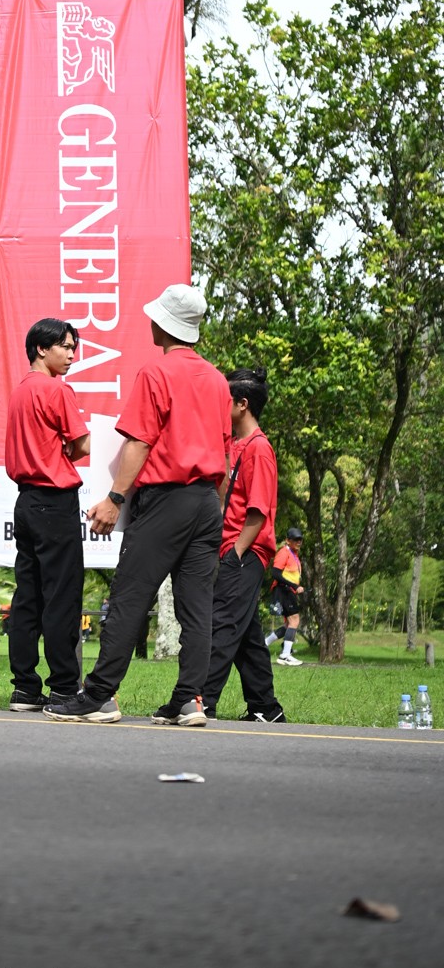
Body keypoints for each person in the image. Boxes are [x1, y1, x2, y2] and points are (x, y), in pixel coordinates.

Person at [48, 284, 230, 727]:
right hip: (207, 500)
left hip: (167, 500)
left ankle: (99, 696)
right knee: (197, 608)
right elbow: (225, 457)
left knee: (129, 596)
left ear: (164, 324)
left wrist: (114, 498)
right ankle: (190, 700)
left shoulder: (156, 373)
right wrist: (216, 510)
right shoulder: (217, 380)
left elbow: (139, 442)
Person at [4, 317, 90, 713]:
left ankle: (24, 688)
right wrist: (65, 450)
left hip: (25, 500)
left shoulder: (20, 391)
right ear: (42, 348)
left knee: (28, 597)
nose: (72, 354)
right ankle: (64, 689)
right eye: (65, 346)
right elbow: (82, 443)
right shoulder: (57, 389)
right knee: (61, 597)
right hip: (55, 501)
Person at [202, 367, 286, 723]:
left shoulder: (259, 449)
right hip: (231, 549)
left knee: (222, 625)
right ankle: (266, 708)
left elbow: (258, 510)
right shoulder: (235, 445)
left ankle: (200, 700)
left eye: (225, 400)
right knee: (246, 633)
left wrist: (236, 553)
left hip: (246, 551)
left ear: (243, 404)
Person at [265, 529, 305, 663]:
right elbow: (275, 573)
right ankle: (285, 655)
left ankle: (264, 643)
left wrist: (296, 586)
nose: (299, 542)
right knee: (294, 620)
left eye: (300, 539)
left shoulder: (294, 554)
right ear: (288, 540)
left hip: (289, 591)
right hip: (283, 590)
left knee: (288, 624)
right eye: (296, 539)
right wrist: (294, 586)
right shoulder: (284, 552)